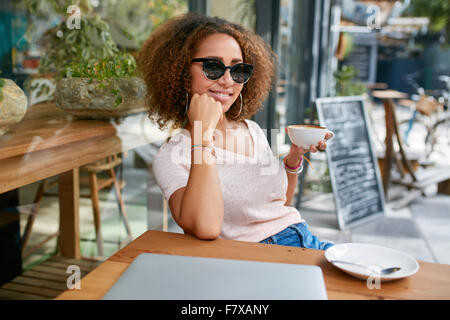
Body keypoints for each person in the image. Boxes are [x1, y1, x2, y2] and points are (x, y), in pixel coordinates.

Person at [138, 13, 333, 250]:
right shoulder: (172, 156)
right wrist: (202, 132)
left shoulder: (251, 130)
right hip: (261, 258)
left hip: (302, 239)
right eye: (213, 67)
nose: (228, 81)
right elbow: (206, 227)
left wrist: (294, 157)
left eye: (238, 70)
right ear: (181, 73)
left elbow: (278, 205)